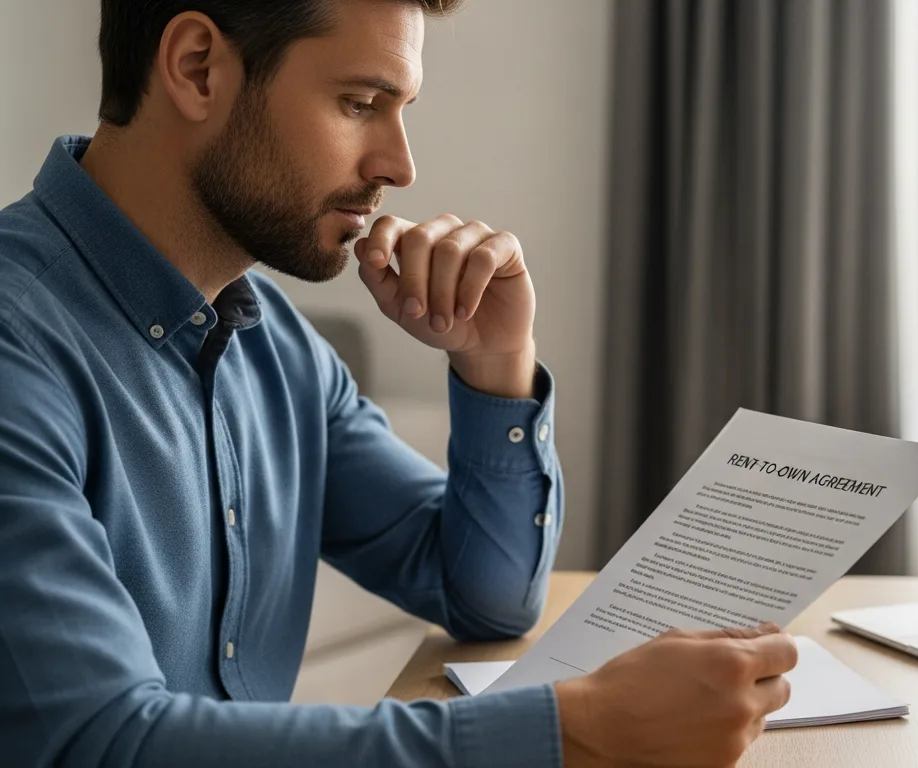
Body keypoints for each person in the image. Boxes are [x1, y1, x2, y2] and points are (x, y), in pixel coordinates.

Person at [0, 1, 797, 766]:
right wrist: (577, 731)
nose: (400, 166)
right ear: (198, 68)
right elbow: (94, 743)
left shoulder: (276, 347)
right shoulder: (16, 348)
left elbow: (483, 594)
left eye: (399, 107)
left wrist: (495, 365)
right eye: (359, 103)